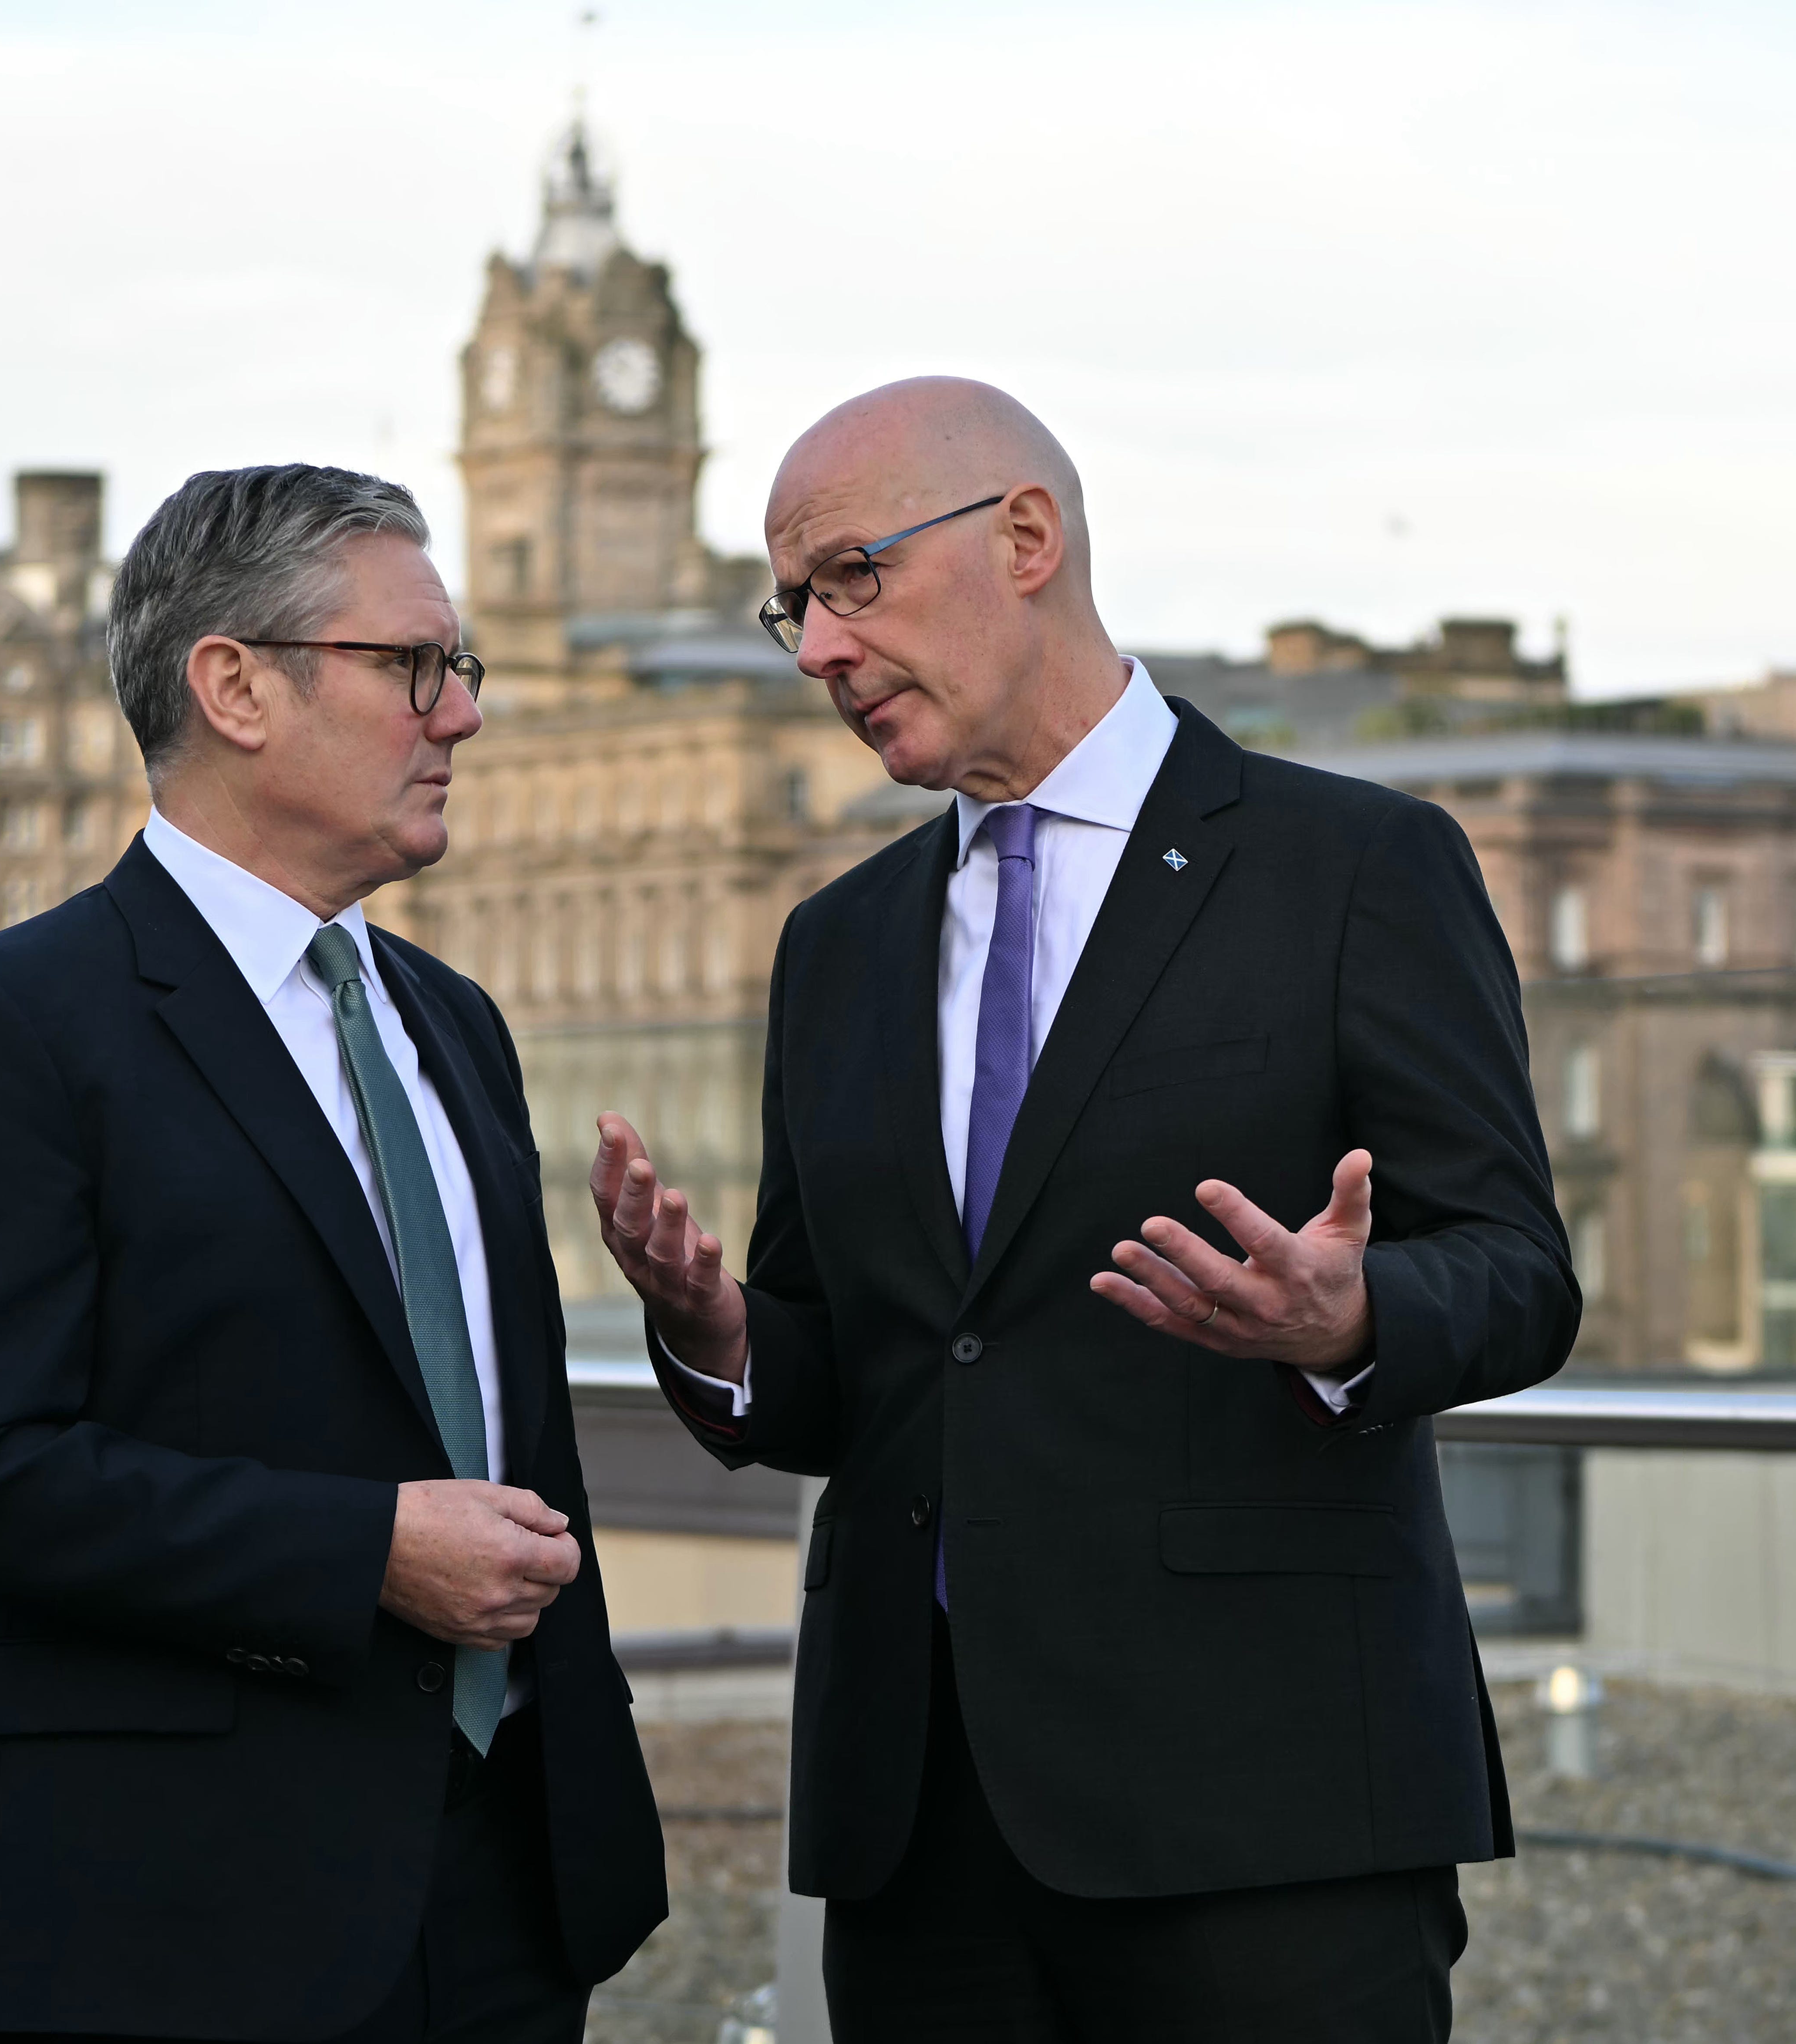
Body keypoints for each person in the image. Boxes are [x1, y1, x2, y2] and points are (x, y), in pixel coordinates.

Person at [593, 380, 1579, 2042]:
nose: (819, 650)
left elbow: (1520, 1276)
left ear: (1025, 539)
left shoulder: (1354, 867)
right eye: (793, 610)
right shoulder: (835, 944)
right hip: (918, 1828)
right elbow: (861, 1371)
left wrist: (1346, 1318)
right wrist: (714, 1334)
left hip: (1265, 1811)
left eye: (851, 580)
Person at [0, 464, 665, 2043]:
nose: (460, 717)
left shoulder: (454, 1026)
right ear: (232, 687)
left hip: (503, 1901)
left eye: (462, 671)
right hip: (173, 1916)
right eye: (413, 668)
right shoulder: (7, 1028)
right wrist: (365, 1550)